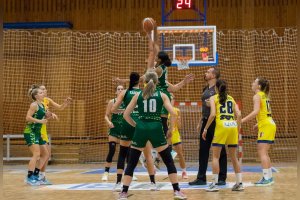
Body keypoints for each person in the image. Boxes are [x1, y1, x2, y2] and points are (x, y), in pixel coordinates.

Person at [119, 71, 187, 200]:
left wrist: (136, 125)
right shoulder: (162, 95)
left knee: (132, 162)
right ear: (156, 82)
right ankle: (177, 191)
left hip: (141, 128)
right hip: (156, 128)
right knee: (168, 161)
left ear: (144, 82)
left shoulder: (138, 95)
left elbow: (125, 115)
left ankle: (123, 192)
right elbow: (173, 113)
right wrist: (171, 129)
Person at [111, 72, 157, 191]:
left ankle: (118, 183)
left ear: (129, 80)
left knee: (122, 154)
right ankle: (153, 183)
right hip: (140, 125)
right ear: (140, 81)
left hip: (127, 123)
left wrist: (124, 111)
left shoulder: (124, 92)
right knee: (148, 155)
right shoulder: (144, 92)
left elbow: (113, 109)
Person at [202, 79, 244, 192]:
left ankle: (214, 184)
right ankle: (239, 183)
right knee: (234, 157)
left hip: (221, 126)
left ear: (216, 88)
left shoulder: (213, 98)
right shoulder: (231, 98)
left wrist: (205, 129)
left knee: (215, 156)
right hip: (232, 126)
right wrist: (237, 128)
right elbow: (239, 114)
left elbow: (212, 115)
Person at [189, 67, 227, 186]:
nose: (206, 73)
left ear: (214, 75)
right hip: (206, 121)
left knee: (220, 151)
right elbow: (204, 108)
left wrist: (212, 104)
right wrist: (201, 121)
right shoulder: (205, 89)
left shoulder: (219, 89)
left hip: (216, 122)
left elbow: (222, 104)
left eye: (208, 72)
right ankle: (201, 178)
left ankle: (221, 177)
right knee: (203, 150)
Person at [241, 77, 276, 186]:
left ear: (259, 86)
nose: (252, 83)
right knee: (264, 152)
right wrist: (258, 124)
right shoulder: (265, 95)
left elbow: (256, 112)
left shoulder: (257, 96)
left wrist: (242, 120)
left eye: (254, 82)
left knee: (262, 152)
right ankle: (269, 177)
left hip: (266, 125)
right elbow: (264, 112)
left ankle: (266, 178)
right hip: (269, 123)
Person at [38, 85, 72, 184]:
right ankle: (33, 175)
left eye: (45, 88)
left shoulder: (47, 100)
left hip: (43, 130)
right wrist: (51, 114)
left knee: (47, 155)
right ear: (38, 92)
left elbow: (60, 108)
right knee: (41, 155)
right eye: (42, 89)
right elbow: (44, 113)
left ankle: (42, 176)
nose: (45, 90)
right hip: (38, 130)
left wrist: (65, 103)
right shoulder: (37, 102)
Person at [24, 86, 57, 185]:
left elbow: (45, 115)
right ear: (36, 96)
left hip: (38, 133)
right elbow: (28, 118)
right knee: (37, 154)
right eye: (41, 92)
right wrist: (40, 121)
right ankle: (29, 177)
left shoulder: (42, 105)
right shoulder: (33, 105)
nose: (43, 93)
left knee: (46, 154)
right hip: (31, 132)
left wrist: (51, 115)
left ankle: (36, 175)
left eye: (43, 92)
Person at [102, 85, 125, 181]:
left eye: (121, 89)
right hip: (114, 129)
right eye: (118, 89)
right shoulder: (112, 102)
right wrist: (109, 122)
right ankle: (106, 172)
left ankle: (127, 171)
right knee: (112, 149)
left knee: (125, 152)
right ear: (116, 92)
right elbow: (106, 116)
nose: (120, 90)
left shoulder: (127, 102)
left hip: (124, 129)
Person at [169, 93, 188, 179]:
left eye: (172, 98)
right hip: (165, 134)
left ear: (174, 100)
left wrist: (178, 120)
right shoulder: (162, 110)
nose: (170, 100)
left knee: (180, 153)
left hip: (175, 134)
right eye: (169, 98)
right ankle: (153, 169)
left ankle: (184, 172)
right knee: (159, 153)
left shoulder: (176, 110)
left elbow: (180, 127)